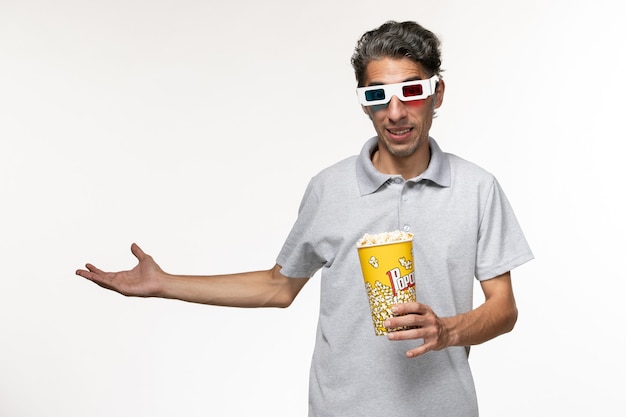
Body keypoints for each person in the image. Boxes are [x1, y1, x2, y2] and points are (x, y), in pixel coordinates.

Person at [76, 20, 533, 417]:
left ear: (436, 94)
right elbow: (279, 286)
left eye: (410, 92)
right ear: (363, 103)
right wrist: (165, 283)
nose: (395, 112)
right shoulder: (329, 189)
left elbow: (503, 308)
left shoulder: (477, 188)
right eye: (378, 95)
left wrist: (448, 329)